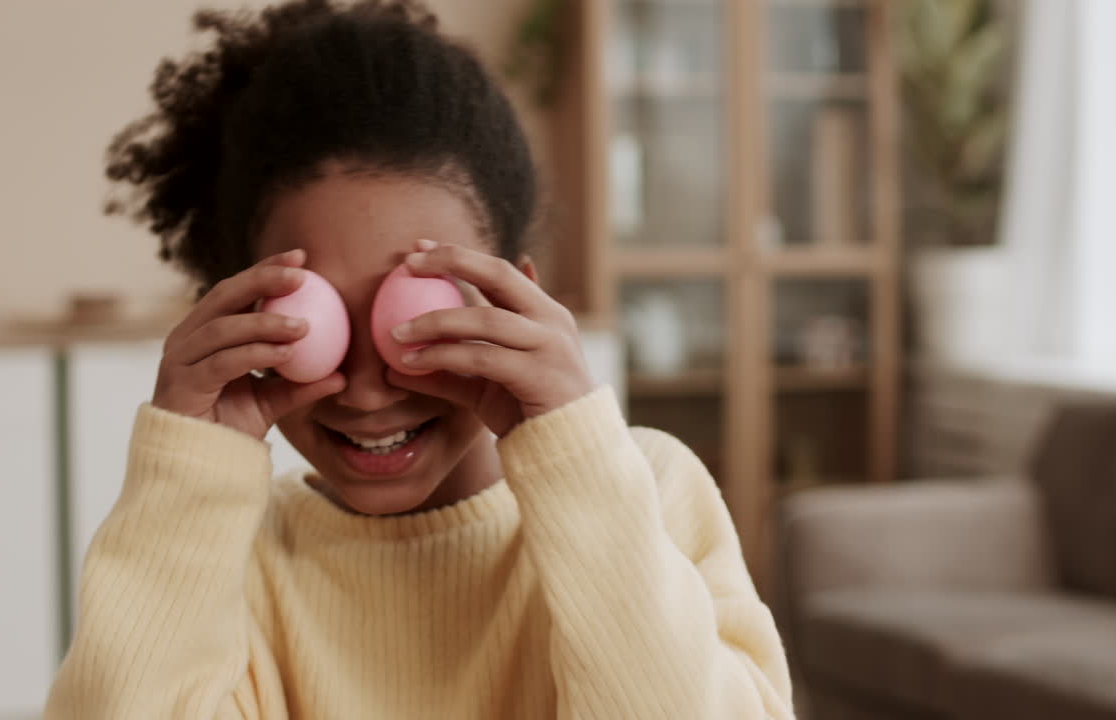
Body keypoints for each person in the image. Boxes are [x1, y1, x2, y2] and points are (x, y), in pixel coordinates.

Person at [44, 1, 794, 718]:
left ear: (511, 302)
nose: (367, 393)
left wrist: (577, 458)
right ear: (244, 315)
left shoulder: (645, 492)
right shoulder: (220, 556)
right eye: (320, 324)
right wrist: (186, 477)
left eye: (417, 321)